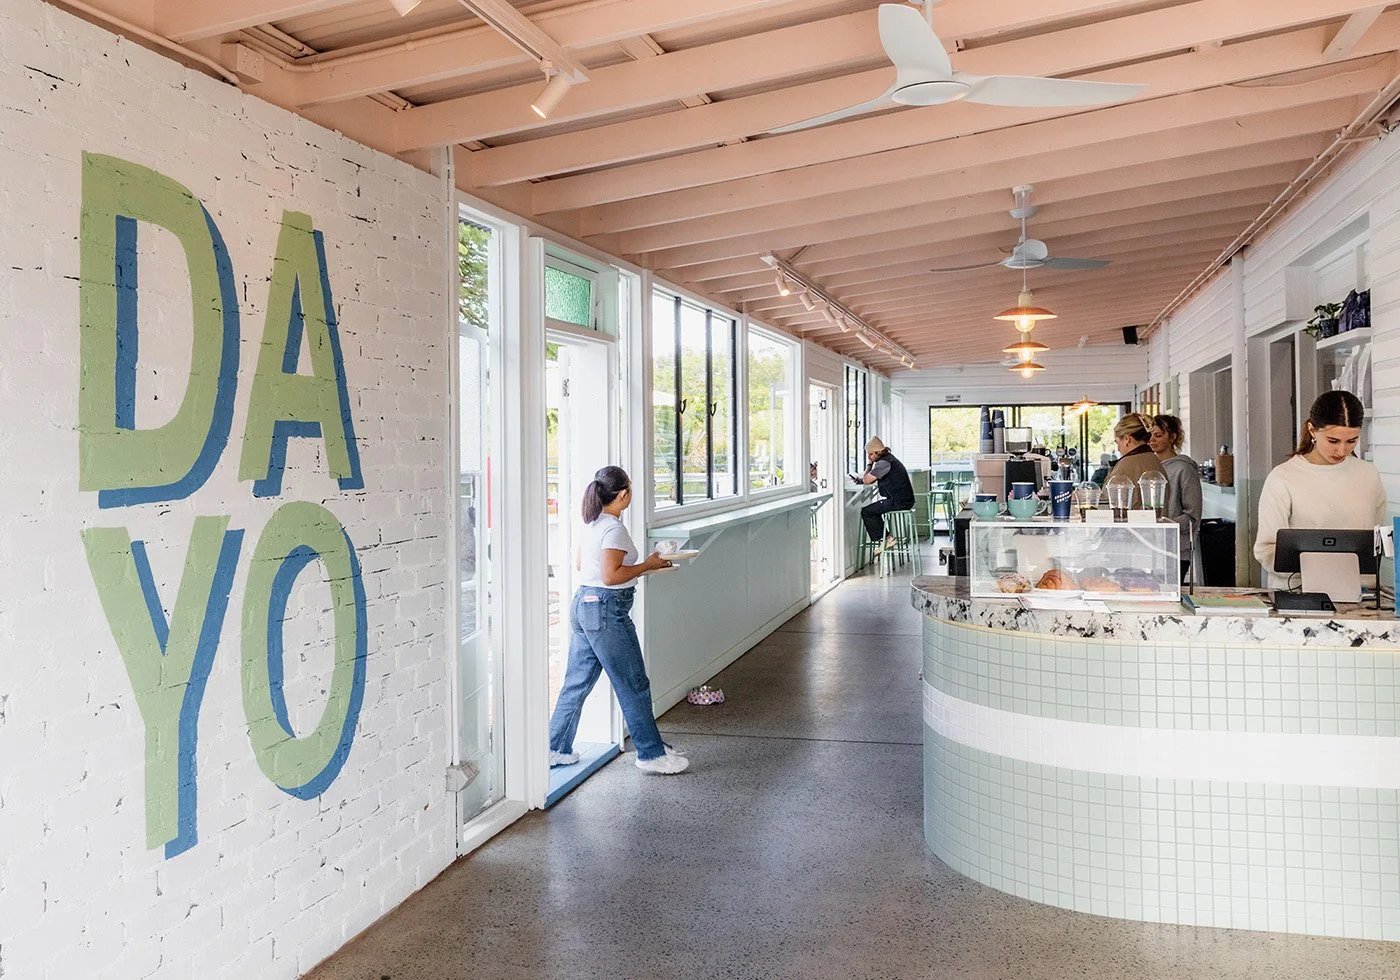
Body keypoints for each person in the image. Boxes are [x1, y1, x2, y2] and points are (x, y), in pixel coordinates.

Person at [548, 466, 689, 775]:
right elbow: (611, 576)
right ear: (624, 494)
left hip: (584, 604)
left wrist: (643, 567)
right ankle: (651, 754)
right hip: (606, 610)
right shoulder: (613, 528)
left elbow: (582, 564)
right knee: (633, 683)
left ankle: (554, 748)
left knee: (577, 682)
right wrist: (647, 564)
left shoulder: (592, 524)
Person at [1253, 390, 1386, 590]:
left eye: (1351, 441)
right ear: (1312, 430)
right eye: (1333, 441)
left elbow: (1376, 542)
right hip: (1300, 595)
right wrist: (1315, 568)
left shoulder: (1369, 475)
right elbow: (1266, 549)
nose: (1341, 451)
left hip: (1362, 596)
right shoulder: (1283, 477)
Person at [1151, 414, 1203, 582]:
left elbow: (1192, 516)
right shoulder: (1150, 467)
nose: (1152, 439)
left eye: (1158, 435)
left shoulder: (1184, 469)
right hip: (1151, 549)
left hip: (1176, 551)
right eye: (1150, 435)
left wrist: (1165, 524)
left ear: (1173, 437)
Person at [854, 436, 915, 551]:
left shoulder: (884, 463)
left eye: (871, 454)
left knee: (867, 512)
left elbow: (867, 480)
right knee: (872, 510)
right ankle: (887, 538)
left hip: (900, 501)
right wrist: (867, 472)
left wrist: (869, 465)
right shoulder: (888, 459)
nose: (869, 457)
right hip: (903, 500)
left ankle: (888, 539)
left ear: (878, 452)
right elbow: (866, 478)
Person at [1105, 412, 1168, 506]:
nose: (1118, 448)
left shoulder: (1126, 465)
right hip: (1155, 519)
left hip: (1132, 520)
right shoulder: (1154, 460)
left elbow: (1109, 503)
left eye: (1117, 442)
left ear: (1127, 439)